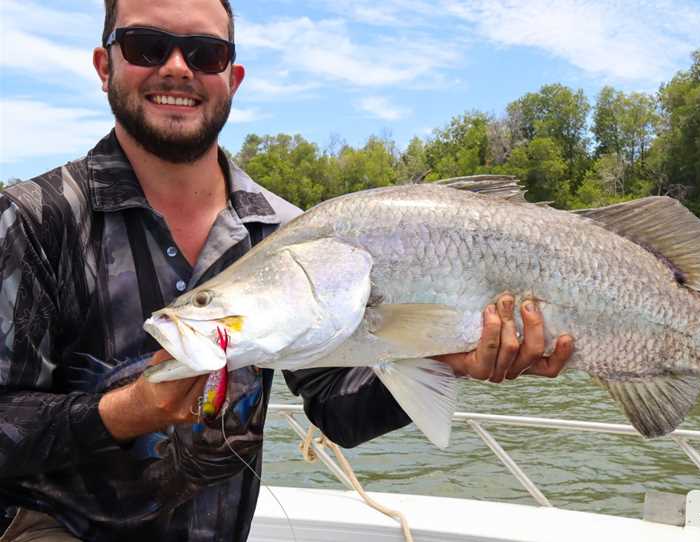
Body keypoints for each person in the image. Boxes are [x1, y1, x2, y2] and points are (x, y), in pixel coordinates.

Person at [0, 0, 573, 540]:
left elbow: (336, 406)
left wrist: (447, 360)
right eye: (146, 46)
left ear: (233, 78)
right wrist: (123, 413)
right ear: (105, 66)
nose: (177, 68)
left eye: (205, 53)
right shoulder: (32, 218)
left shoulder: (290, 232)